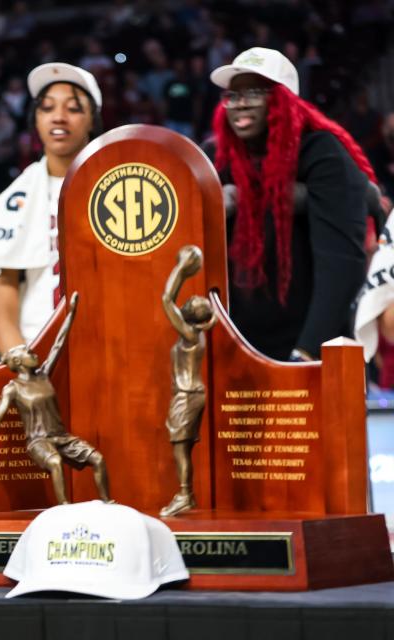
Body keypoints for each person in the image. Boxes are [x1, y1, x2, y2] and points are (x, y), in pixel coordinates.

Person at [207, 47, 375, 361]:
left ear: (284, 101)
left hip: (310, 345)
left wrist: (308, 351)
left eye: (255, 92)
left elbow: (340, 262)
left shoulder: (321, 154)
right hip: (238, 351)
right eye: (233, 94)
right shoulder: (218, 160)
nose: (240, 103)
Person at [0, 62, 103, 354]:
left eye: (74, 108)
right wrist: (21, 364)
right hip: (38, 354)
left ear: (93, 119)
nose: (59, 117)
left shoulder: (120, 185)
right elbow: (2, 288)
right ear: (36, 120)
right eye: (47, 107)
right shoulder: (16, 197)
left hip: (113, 351)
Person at [0, 294, 111, 505]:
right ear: (18, 361)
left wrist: (71, 313)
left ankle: (107, 503)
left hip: (61, 437)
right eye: (28, 352)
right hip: (38, 441)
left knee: (98, 460)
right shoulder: (13, 388)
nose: (34, 353)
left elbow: (58, 343)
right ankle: (64, 508)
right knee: (55, 462)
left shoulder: (43, 374)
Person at [159, 246, 217, 518]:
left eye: (193, 301)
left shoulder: (190, 334)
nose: (191, 297)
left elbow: (166, 298)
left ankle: (185, 494)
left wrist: (181, 268)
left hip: (186, 394)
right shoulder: (194, 333)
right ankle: (186, 493)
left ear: (192, 315)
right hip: (190, 394)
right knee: (182, 448)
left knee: (180, 448)